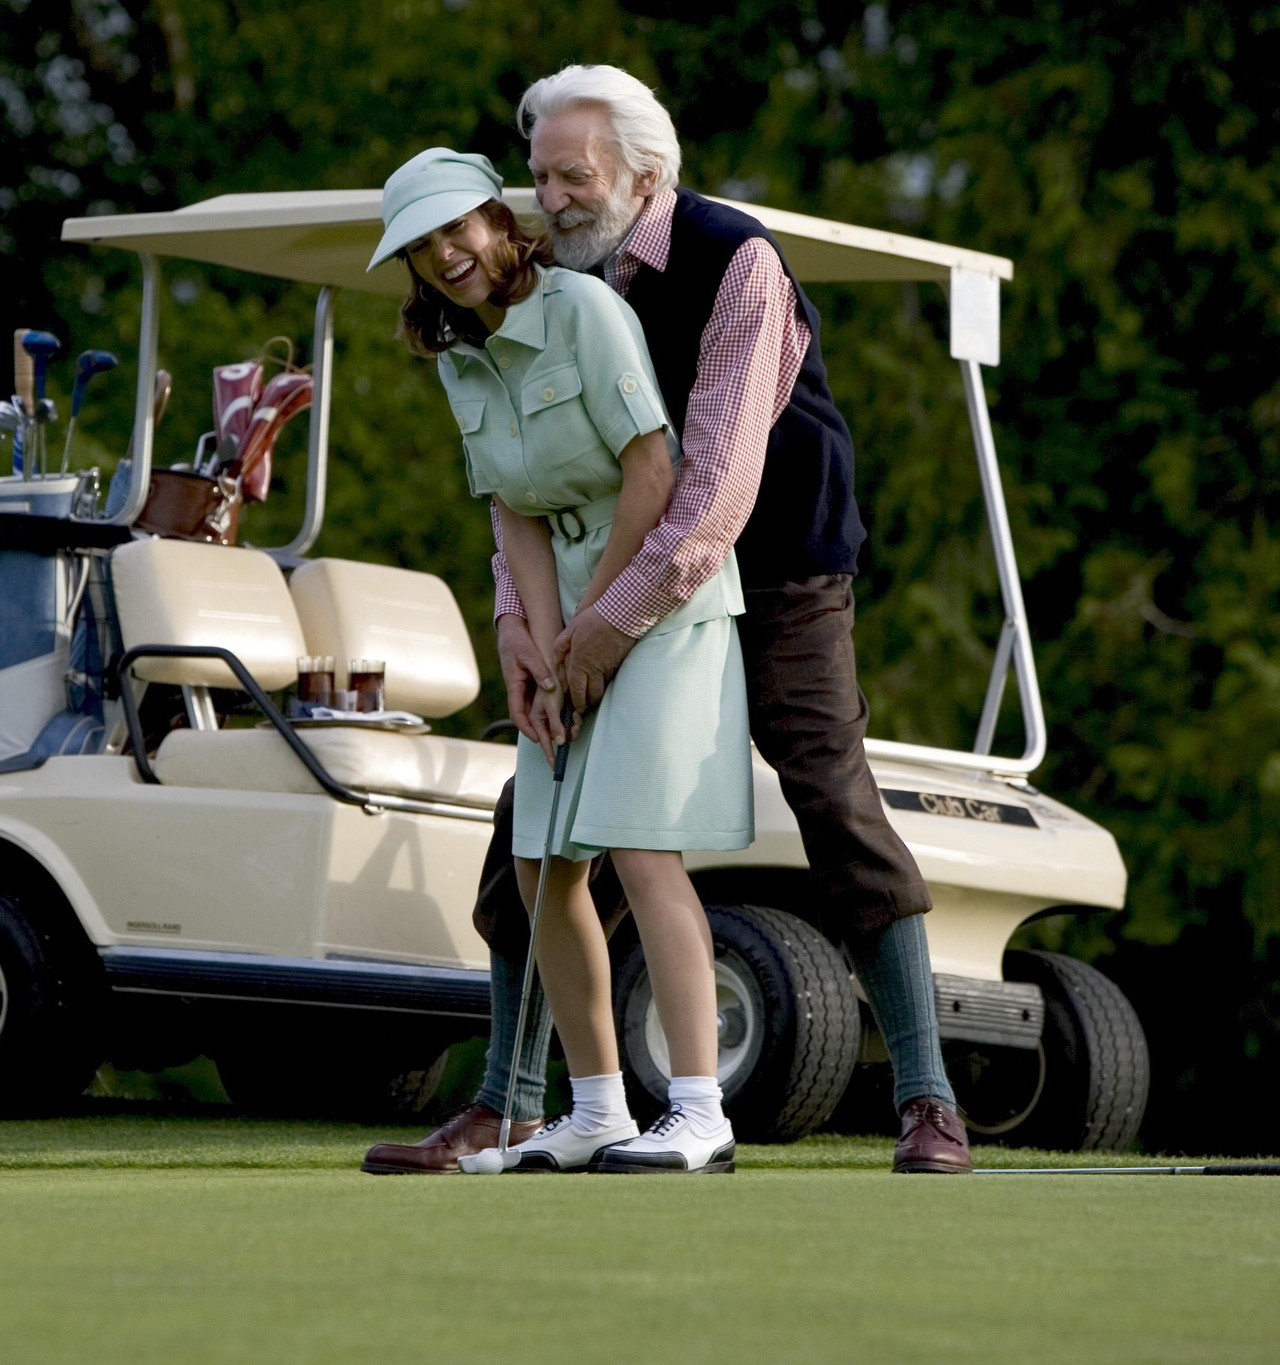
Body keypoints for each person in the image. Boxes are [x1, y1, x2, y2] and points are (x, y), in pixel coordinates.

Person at [362, 66, 972, 1176]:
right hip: (614, 574)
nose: (551, 199)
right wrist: (522, 629)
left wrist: (595, 633)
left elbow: (708, 490)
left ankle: (927, 1099)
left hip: (774, 564)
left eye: (574, 176)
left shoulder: (735, 262)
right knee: (532, 825)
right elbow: (524, 480)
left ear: (646, 173)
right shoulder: (533, 281)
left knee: (827, 789)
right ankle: (510, 1099)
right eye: (538, 177)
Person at [366, 147, 753, 1174]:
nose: (446, 255)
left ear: (498, 222)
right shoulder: (459, 356)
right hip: (572, 617)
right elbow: (515, 512)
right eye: (421, 246)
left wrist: (594, 627)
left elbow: (651, 469)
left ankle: (701, 1111)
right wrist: (537, 651)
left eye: (458, 229)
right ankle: (594, 1112)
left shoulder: (580, 310)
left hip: (658, 608)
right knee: (540, 863)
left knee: (638, 845)